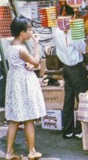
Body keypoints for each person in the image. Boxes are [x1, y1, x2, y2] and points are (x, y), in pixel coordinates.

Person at [5, 16, 46, 160]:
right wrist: (36, 44)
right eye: (29, 29)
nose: (31, 32)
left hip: (15, 83)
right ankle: (32, 151)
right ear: (22, 33)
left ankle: (9, 152)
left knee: (15, 120)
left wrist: (28, 63)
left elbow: (24, 63)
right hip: (24, 84)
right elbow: (36, 62)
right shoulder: (21, 49)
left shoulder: (12, 45)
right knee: (29, 118)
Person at [54, 7, 88, 140]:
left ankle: (67, 130)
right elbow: (83, 48)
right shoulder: (75, 28)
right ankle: (79, 130)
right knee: (81, 98)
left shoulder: (57, 29)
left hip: (66, 67)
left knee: (68, 99)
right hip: (75, 67)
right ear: (74, 13)